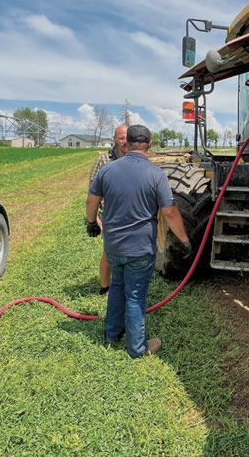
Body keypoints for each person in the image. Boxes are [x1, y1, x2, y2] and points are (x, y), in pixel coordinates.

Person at [86, 124, 191, 357]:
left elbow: (91, 201)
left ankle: (112, 334)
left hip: (113, 245)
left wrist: (92, 222)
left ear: (128, 143)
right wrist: (184, 239)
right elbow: (171, 212)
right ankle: (137, 349)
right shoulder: (156, 174)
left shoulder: (108, 170)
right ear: (150, 145)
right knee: (135, 296)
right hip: (140, 249)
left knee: (116, 287)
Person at [88, 125, 128, 295]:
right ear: (114, 139)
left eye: (128, 137)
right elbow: (92, 192)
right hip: (111, 214)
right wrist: (94, 218)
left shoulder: (136, 159)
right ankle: (105, 288)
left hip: (132, 213)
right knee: (110, 251)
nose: (125, 141)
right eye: (121, 138)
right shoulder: (104, 160)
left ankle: (126, 284)